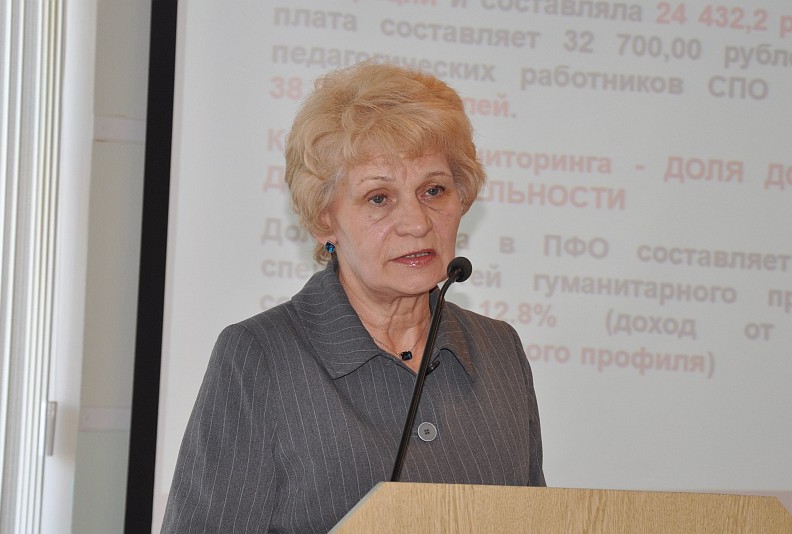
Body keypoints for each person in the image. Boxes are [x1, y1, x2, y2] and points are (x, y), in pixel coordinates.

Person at [161, 62, 545, 533]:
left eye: (433, 190)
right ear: (325, 219)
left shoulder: (499, 350)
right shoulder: (261, 357)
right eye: (379, 198)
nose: (417, 223)